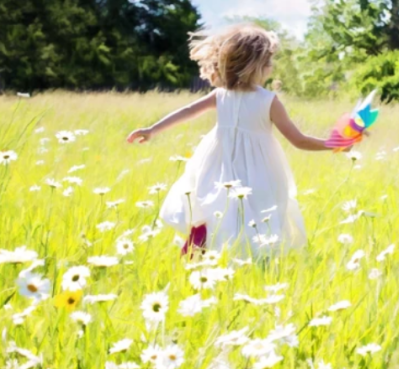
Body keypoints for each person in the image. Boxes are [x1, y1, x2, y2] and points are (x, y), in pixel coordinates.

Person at [126, 23, 342, 257]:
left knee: (213, 205)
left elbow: (188, 110)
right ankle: (250, 259)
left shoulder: (220, 95)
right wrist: (333, 144)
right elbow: (298, 140)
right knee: (256, 214)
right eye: (268, 62)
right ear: (254, 66)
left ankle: (201, 248)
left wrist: (153, 129)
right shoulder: (268, 100)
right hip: (258, 169)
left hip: (217, 162)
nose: (271, 67)